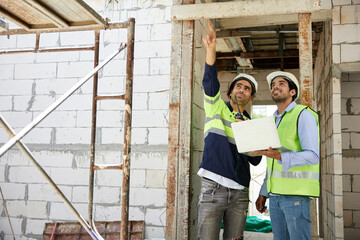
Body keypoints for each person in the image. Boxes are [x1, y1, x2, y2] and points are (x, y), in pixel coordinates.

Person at [197, 22, 262, 240]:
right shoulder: (216, 107)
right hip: (213, 188)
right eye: (238, 86)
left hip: (240, 194)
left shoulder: (252, 123)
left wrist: (254, 142)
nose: (241, 90)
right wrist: (211, 50)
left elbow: (255, 161)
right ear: (230, 91)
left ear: (251, 97)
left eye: (246, 88)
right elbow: (209, 82)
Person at [250, 71, 320, 240]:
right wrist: (264, 192)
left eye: (281, 83)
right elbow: (272, 162)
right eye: (273, 85)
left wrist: (280, 156)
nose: (275, 86)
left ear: (292, 92)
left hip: (295, 196)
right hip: (275, 198)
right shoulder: (273, 121)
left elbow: (313, 156)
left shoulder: (303, 115)